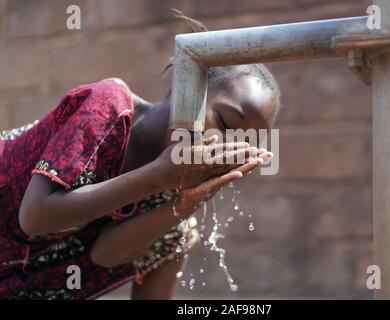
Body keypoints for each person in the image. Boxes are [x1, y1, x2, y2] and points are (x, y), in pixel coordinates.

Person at [0, 12, 282, 300]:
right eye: (225, 125)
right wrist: (159, 175)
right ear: (188, 88)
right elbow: (34, 216)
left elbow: (105, 255)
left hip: (19, 270)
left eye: (240, 146)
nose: (223, 147)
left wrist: (184, 206)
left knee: (176, 232)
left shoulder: (168, 193)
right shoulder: (110, 108)